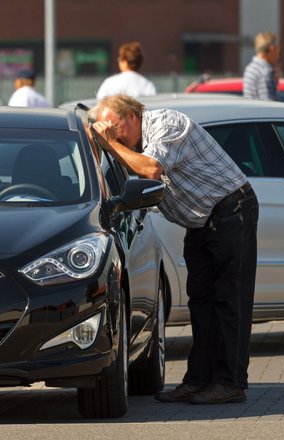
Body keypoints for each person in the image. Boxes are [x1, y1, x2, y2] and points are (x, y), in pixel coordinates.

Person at [87, 94, 258, 404]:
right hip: (201, 221)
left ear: (131, 117)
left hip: (231, 210)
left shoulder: (166, 123)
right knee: (201, 302)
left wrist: (110, 143)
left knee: (229, 299)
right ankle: (198, 380)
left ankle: (231, 382)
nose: (108, 131)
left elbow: (152, 169)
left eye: (112, 124)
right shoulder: (131, 148)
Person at [243, 32, 280, 101]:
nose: (278, 54)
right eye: (278, 49)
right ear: (272, 49)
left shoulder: (250, 68)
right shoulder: (266, 71)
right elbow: (269, 104)